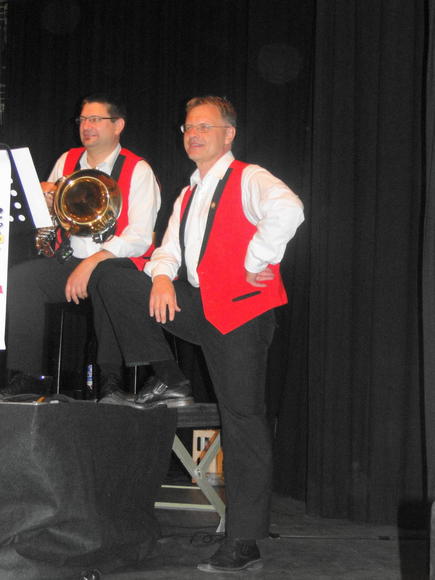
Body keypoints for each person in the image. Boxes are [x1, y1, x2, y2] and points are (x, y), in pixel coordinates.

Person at [89, 95, 304, 573]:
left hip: (242, 313)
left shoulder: (249, 177)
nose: (194, 134)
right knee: (114, 277)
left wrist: (256, 259)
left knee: (242, 418)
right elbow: (167, 250)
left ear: (229, 134)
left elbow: (289, 209)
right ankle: (171, 378)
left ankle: (244, 540)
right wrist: (163, 278)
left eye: (205, 126)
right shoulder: (187, 195)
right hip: (197, 305)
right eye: (188, 127)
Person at [2, 93, 161, 398]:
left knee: (107, 281)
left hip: (115, 265)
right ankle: (29, 376)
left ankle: (110, 380)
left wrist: (92, 262)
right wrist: (44, 202)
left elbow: (140, 238)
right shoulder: (67, 160)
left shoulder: (138, 169)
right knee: (22, 279)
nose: (86, 126)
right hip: (70, 261)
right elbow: (49, 224)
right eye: (83, 119)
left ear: (118, 125)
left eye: (95, 119)